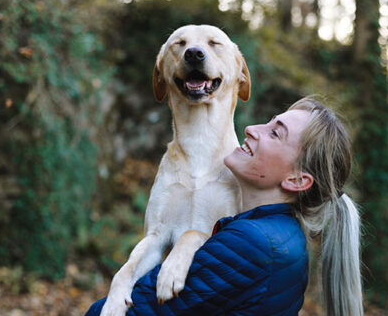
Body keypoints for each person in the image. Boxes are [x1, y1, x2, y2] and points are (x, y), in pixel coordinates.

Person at [86, 97, 363, 316]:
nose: (251, 129)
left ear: (297, 180)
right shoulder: (282, 234)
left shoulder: (250, 245)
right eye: (268, 123)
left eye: (275, 133)